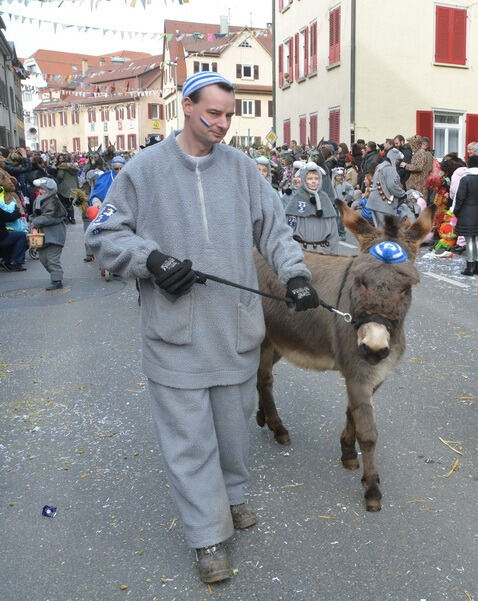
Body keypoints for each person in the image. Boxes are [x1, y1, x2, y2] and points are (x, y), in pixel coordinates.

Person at [86, 72, 320, 584]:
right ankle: (207, 536)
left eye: (229, 115)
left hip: (235, 330)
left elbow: (275, 231)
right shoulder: (143, 171)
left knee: (233, 434)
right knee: (190, 443)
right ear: (186, 107)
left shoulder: (242, 170)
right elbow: (103, 233)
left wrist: (296, 275)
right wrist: (151, 260)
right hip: (175, 337)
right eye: (212, 113)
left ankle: (232, 496)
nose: (222, 124)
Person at [285, 163, 341, 254]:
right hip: (301, 252)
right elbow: (288, 230)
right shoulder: (297, 199)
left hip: (323, 252)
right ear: (304, 180)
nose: (314, 181)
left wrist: (333, 253)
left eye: (316, 178)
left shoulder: (325, 199)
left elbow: (333, 233)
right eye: (310, 179)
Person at [453, 155, 478, 275]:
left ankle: (470, 267)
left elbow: (460, 197)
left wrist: (456, 211)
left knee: (469, 239)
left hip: (467, 212)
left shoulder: (466, 179)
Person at [31, 176, 68, 289]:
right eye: (39, 189)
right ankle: (55, 275)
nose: (40, 191)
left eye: (42, 189)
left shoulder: (54, 201)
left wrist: (36, 220)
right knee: (43, 258)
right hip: (43, 236)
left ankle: (57, 280)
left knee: (52, 259)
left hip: (54, 236)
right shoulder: (40, 199)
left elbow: (51, 217)